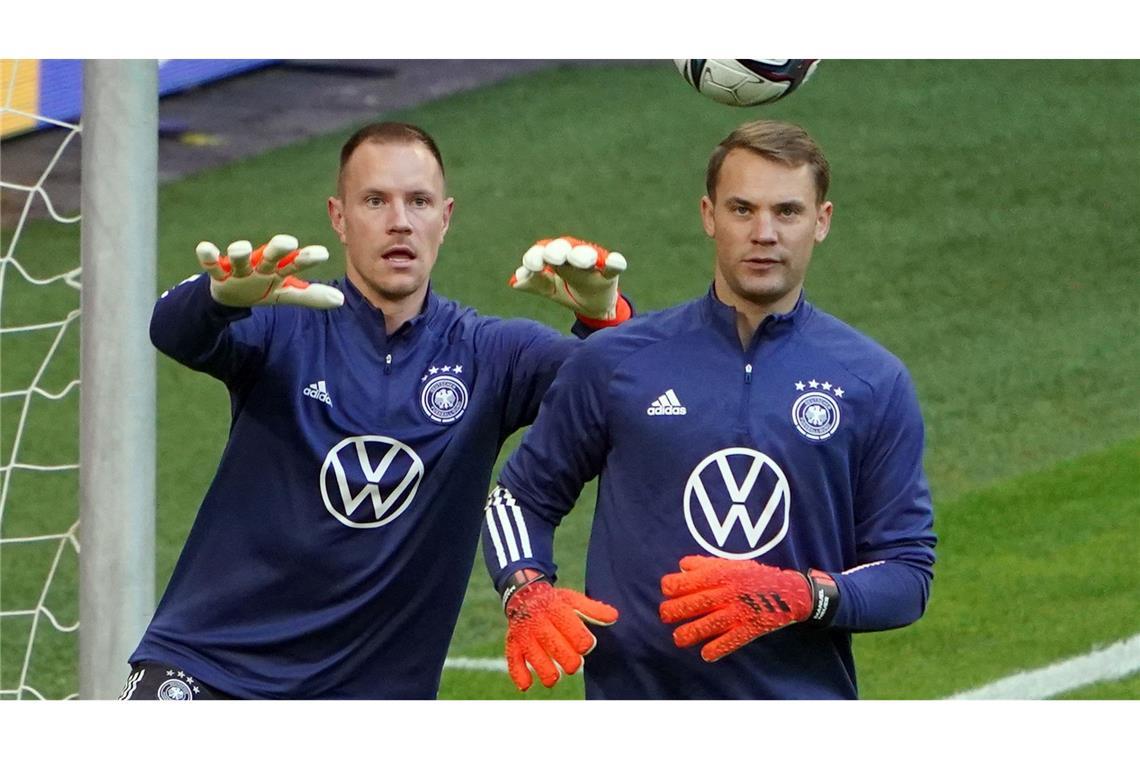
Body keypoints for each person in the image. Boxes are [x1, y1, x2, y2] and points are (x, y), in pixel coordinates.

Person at [121, 121, 632, 700]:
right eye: (375, 201)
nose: (400, 221)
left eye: (419, 201)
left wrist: (602, 319)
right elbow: (172, 332)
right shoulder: (284, 318)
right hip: (211, 671)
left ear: (446, 217)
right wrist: (215, 300)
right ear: (339, 217)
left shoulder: (492, 353)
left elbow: (625, 397)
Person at [481, 119, 936, 699]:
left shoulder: (872, 381)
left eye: (788, 212)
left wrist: (806, 594)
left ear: (821, 221)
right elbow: (520, 497)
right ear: (707, 215)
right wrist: (525, 590)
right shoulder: (617, 360)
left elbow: (905, 574)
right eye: (742, 209)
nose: (764, 233)